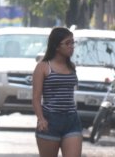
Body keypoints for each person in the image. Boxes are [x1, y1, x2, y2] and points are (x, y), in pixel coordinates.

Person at [31, 27, 81, 157]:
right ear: (56, 46)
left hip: (71, 119)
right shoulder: (43, 67)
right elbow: (36, 97)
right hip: (50, 121)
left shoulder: (72, 66)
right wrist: (41, 119)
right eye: (67, 43)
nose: (71, 46)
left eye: (73, 43)